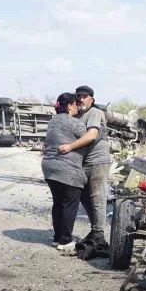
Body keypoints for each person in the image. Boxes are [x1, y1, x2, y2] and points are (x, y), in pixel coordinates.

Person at [58, 85, 111, 254]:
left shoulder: (94, 113)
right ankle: (95, 230)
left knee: (97, 197)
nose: (81, 99)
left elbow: (92, 135)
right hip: (82, 162)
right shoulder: (77, 116)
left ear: (91, 99)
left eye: (85, 96)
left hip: (97, 160)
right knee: (83, 196)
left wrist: (69, 147)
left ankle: (99, 235)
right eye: (79, 96)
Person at [41, 93, 88, 253]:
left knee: (58, 203)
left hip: (49, 166)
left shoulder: (53, 121)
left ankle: (57, 238)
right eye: (75, 105)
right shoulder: (73, 122)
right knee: (70, 203)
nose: (77, 107)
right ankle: (65, 240)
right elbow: (89, 138)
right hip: (67, 168)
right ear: (69, 106)